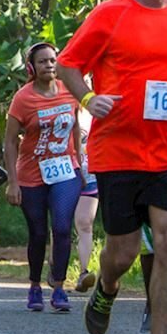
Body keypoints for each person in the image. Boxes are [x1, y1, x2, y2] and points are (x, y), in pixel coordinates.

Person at [57, 0, 167, 334]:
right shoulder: (111, 14)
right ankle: (107, 287)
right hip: (118, 150)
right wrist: (89, 97)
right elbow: (69, 64)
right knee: (122, 251)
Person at [4, 42, 82, 311]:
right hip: (32, 174)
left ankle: (59, 287)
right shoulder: (23, 98)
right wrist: (13, 182)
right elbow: (10, 142)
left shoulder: (70, 91)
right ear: (32, 68)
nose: (49, 65)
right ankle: (35, 285)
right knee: (38, 233)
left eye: (53, 60)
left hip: (65, 170)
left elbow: (75, 129)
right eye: (42, 62)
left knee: (61, 228)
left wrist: (80, 164)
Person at [73, 107, 98, 292]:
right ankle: (55, 267)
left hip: (90, 176)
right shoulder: (62, 102)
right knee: (61, 226)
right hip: (65, 174)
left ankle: (83, 272)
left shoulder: (99, 109)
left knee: (85, 223)